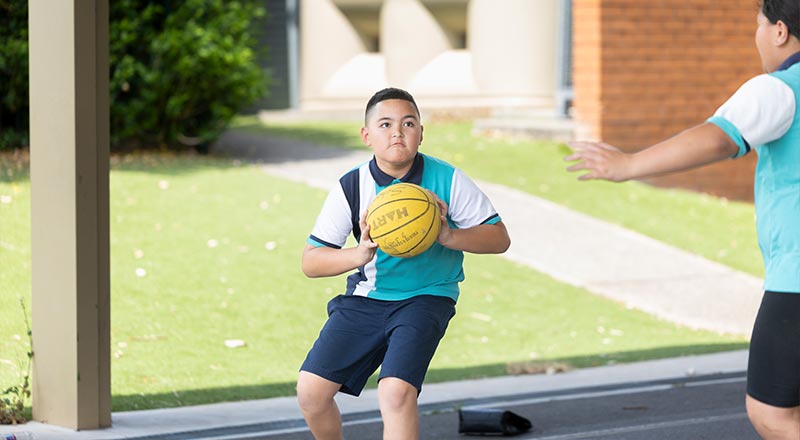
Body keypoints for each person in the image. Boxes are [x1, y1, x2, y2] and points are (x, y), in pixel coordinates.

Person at [565, 1, 800, 438]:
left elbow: (717, 139)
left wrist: (628, 164)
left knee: (773, 413)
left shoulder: (778, 89)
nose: (758, 35)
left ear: (780, 31)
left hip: (796, 282)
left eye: (758, 25)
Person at [296, 87, 511, 440]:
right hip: (367, 298)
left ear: (421, 133)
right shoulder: (351, 187)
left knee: (395, 392)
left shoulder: (448, 179)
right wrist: (359, 254)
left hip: (426, 297)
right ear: (367, 136)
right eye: (385, 124)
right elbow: (311, 261)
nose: (397, 132)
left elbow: (499, 238)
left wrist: (448, 236)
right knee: (311, 393)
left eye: (408, 123)